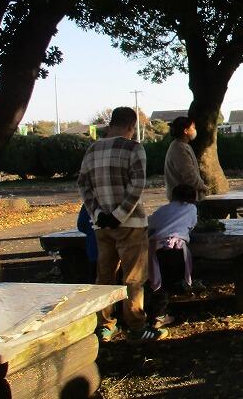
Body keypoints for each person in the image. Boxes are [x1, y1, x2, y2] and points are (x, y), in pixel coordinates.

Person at [77, 106, 167, 343]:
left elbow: (83, 185)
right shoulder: (134, 148)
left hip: (101, 225)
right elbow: (137, 185)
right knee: (134, 278)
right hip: (131, 223)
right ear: (131, 126)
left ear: (110, 124)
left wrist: (97, 213)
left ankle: (105, 326)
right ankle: (136, 327)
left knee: (104, 276)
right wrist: (119, 214)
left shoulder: (92, 150)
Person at [147, 184, 199, 329]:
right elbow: (192, 225)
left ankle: (159, 313)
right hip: (176, 249)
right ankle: (159, 316)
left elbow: (151, 223)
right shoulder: (191, 208)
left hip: (158, 248)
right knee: (168, 281)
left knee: (160, 281)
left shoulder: (163, 209)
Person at [164, 116, 208, 203]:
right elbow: (189, 175)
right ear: (186, 131)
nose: (195, 130)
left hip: (185, 198)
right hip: (183, 200)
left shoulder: (182, 146)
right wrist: (203, 187)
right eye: (193, 128)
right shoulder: (179, 148)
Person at [77, 204, 98, 283]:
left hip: (94, 249)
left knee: (94, 278)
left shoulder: (88, 203)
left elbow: (81, 225)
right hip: (116, 251)